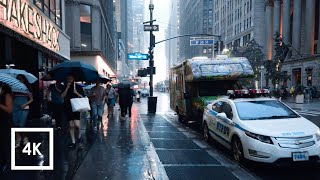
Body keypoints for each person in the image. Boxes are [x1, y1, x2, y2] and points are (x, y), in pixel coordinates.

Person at [61, 74, 85, 148]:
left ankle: (79, 137)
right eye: (68, 78)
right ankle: (73, 141)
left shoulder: (78, 87)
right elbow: (62, 96)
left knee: (77, 125)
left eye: (71, 78)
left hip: (76, 106)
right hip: (68, 107)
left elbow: (83, 97)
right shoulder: (65, 86)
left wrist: (76, 93)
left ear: (74, 78)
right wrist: (67, 88)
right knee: (71, 125)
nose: (69, 80)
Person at [13, 74, 33, 148]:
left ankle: (25, 137)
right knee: (15, 123)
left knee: (22, 124)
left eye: (21, 79)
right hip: (14, 107)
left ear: (24, 80)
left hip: (24, 106)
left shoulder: (26, 88)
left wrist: (25, 104)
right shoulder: (14, 88)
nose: (19, 80)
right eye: (18, 79)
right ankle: (18, 139)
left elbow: (31, 99)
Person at [0, 82, 13, 172]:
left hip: (4, 121)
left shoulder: (7, 95)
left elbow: (9, 110)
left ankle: (5, 161)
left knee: (3, 141)